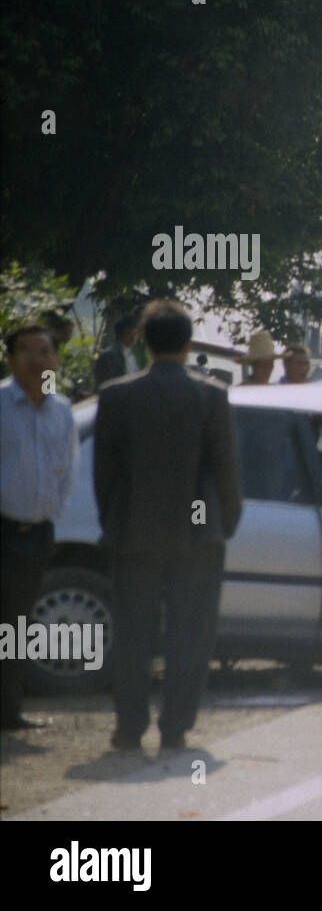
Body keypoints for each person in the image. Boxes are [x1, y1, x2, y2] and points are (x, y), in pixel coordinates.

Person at [94, 299, 242, 751]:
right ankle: (175, 727)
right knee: (189, 636)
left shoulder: (117, 395)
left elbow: (105, 475)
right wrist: (224, 525)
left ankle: (129, 726)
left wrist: (115, 523)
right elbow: (226, 472)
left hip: (133, 534)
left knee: (133, 635)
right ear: (189, 342)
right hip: (198, 537)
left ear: (143, 340)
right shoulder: (211, 395)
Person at [1, 323, 79, 729]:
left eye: (45, 351)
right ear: (10, 358)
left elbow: (68, 470)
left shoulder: (62, 410)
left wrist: (51, 514)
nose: (37, 359)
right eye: (27, 351)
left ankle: (9, 711)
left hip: (35, 534)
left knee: (16, 624)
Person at [93, 315, 141, 390]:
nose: (133, 337)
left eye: (135, 333)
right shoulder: (110, 355)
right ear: (120, 334)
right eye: (129, 333)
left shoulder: (133, 353)